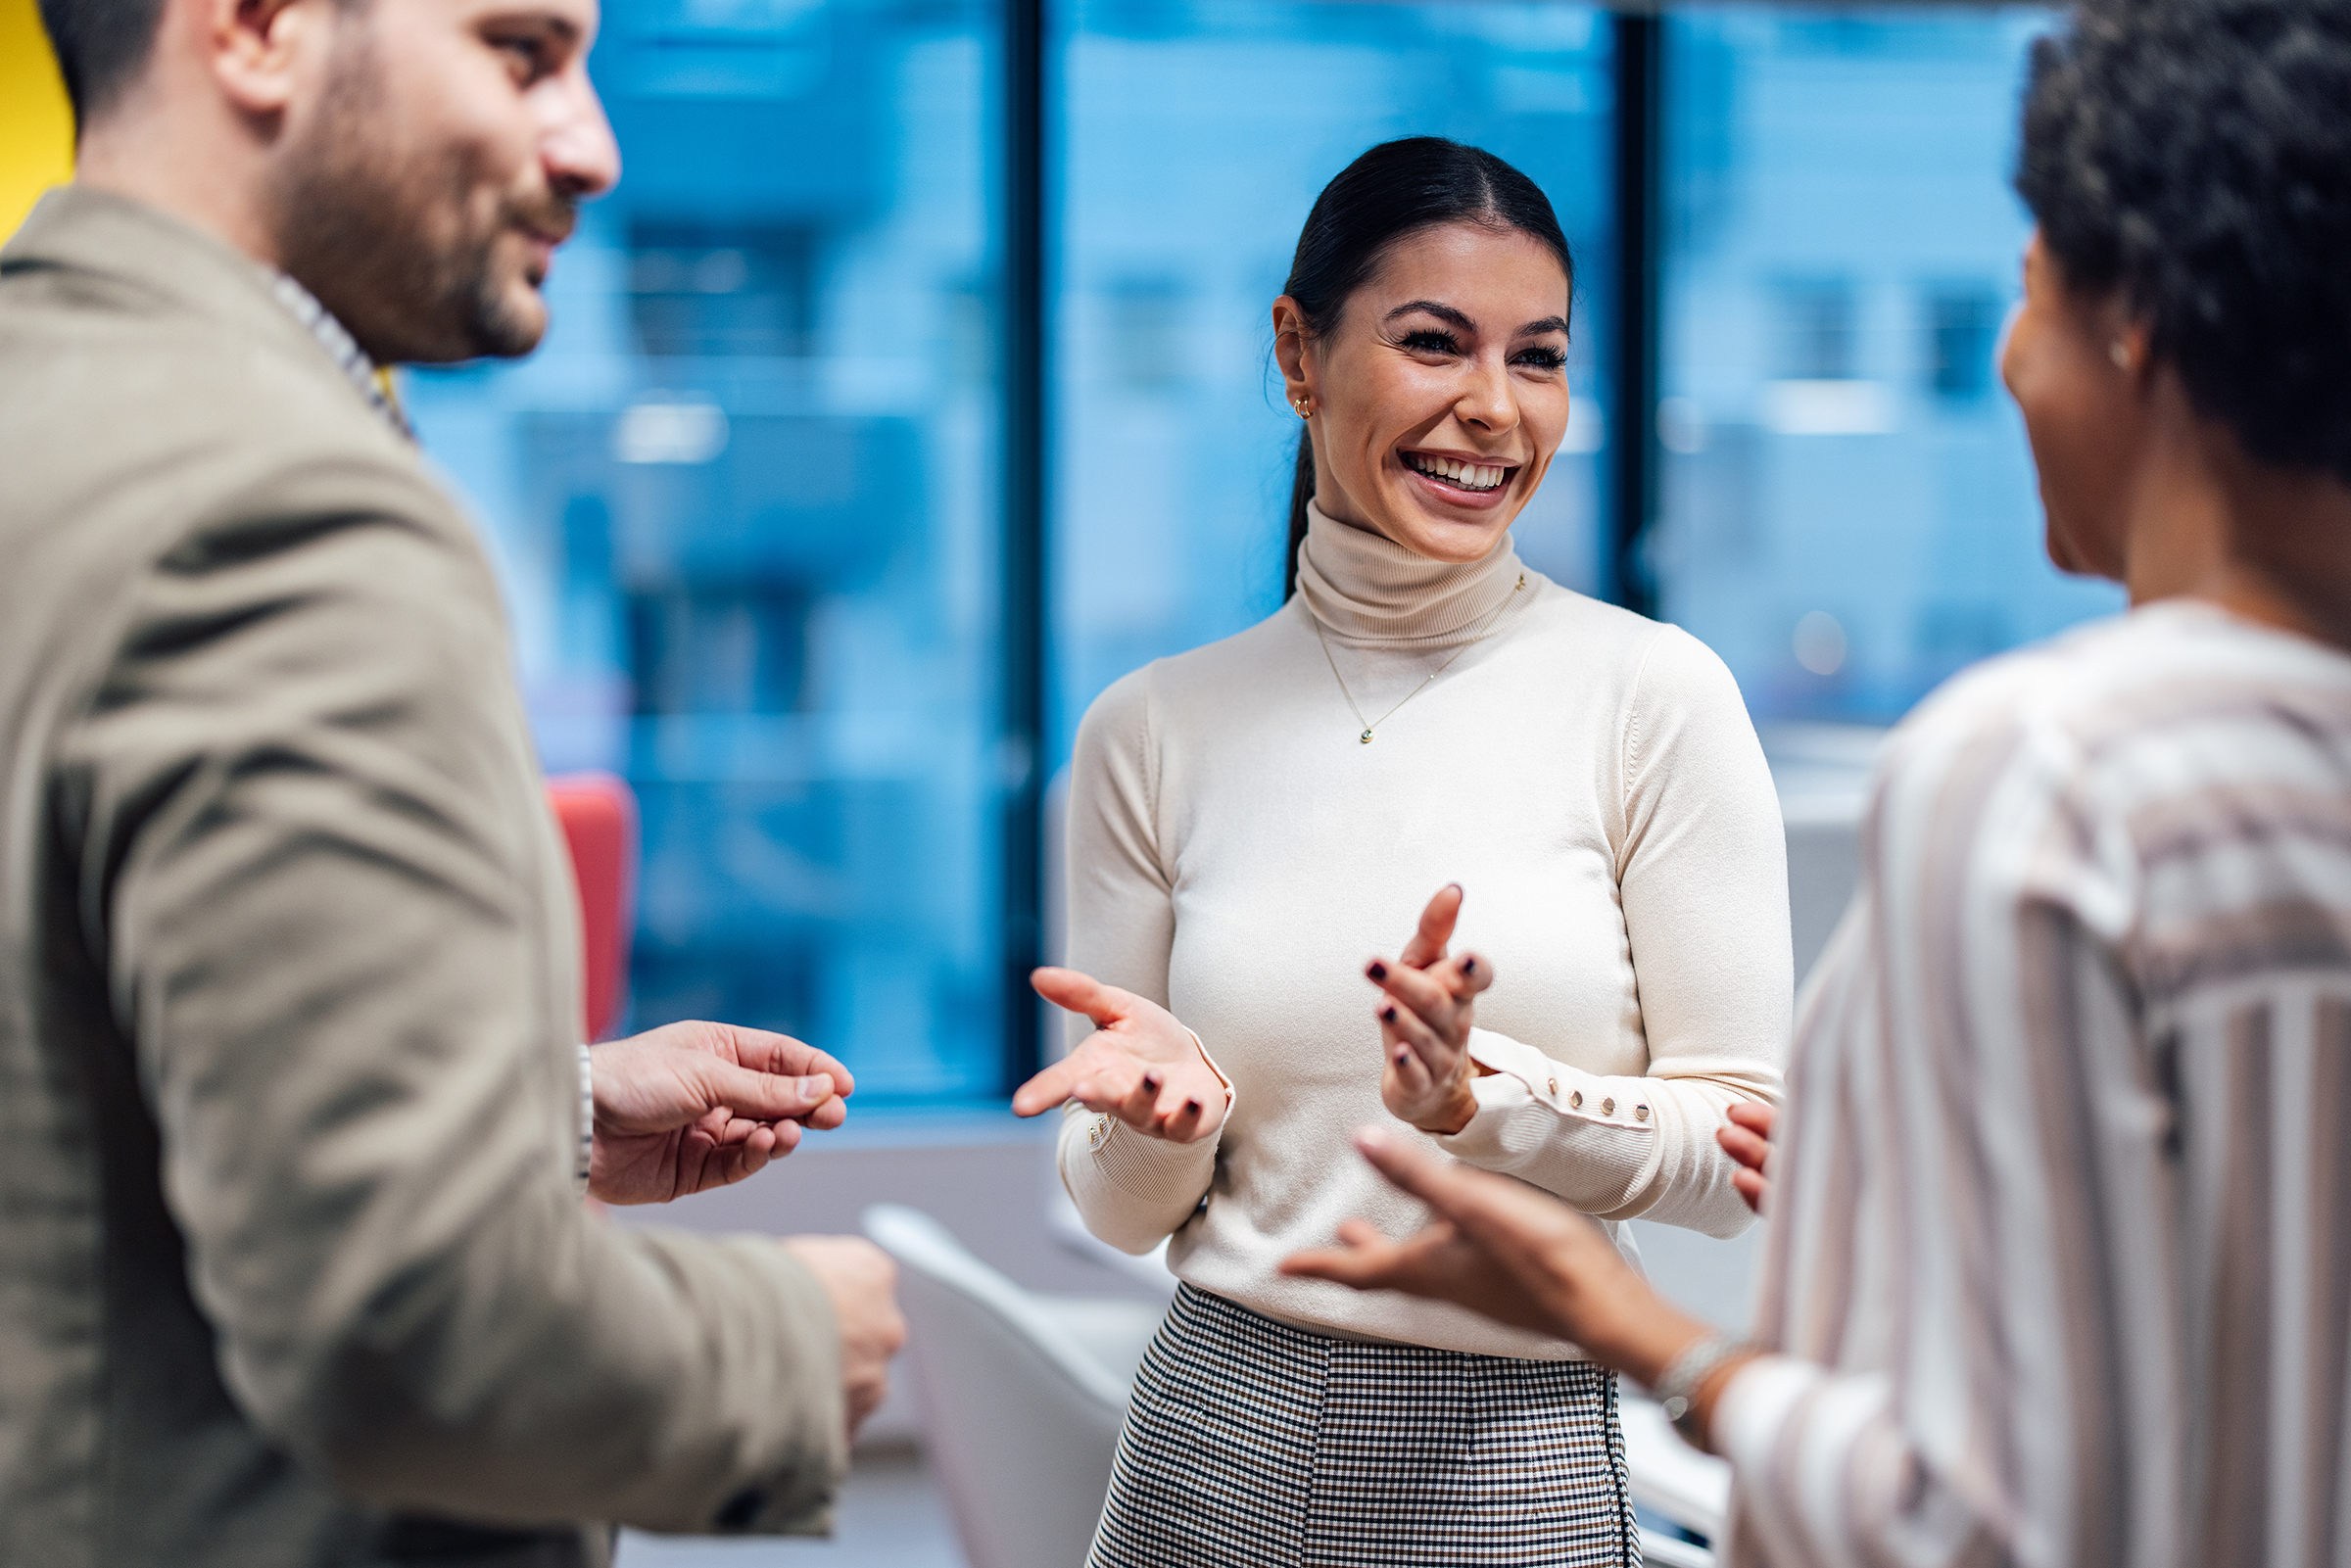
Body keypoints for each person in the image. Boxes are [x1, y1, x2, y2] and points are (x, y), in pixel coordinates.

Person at [1286, 1, 2351, 1563]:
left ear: (2139, 322)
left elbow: (2003, 1523)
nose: (2006, 355)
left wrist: (1642, 1332)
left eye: (2027, 291)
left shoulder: (2048, 778)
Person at [0, 0, 905, 1560]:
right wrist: (788, 1338)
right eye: (521, 51)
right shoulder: (281, 508)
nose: (593, 148)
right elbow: (407, 1330)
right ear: (261, 28)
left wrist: (534, 1106)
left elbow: (66, 1085)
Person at [1011, 136, 1792, 1566]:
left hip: (1513, 1451)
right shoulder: (1150, 730)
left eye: (1537, 358)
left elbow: (1743, 1161)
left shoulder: (1654, 698)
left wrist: (1478, 1099)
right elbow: (1117, 1212)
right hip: (1209, 1431)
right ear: (1299, 354)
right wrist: (1154, 1123)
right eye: (1432, 344)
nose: (1492, 411)